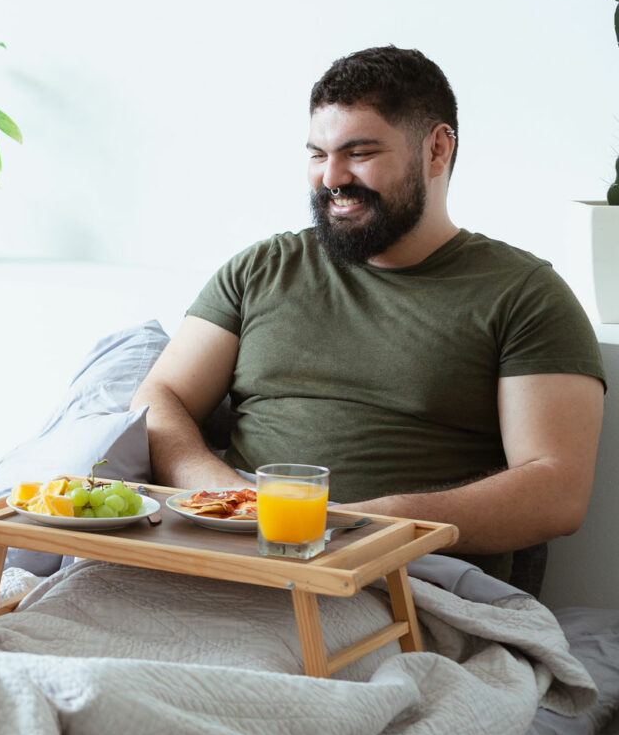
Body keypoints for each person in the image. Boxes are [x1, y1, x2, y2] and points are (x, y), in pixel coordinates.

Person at [131, 46, 606, 584]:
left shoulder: (524, 294)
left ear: (437, 149)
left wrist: (361, 524)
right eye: (317, 154)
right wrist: (228, 498)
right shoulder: (264, 267)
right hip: (230, 551)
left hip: (405, 575)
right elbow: (159, 396)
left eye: (359, 152)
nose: (331, 177)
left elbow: (557, 491)